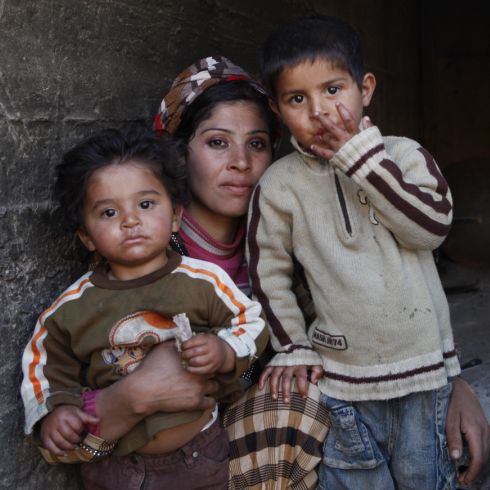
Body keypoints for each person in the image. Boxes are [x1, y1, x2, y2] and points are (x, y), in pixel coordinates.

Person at [26, 56, 487, 488]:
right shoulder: (142, 255)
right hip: (145, 453)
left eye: (258, 144)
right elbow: (68, 425)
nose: (240, 163)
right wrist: (132, 397)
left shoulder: (292, 234)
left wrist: (450, 385)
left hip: (234, 447)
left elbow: (374, 308)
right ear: (177, 154)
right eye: (217, 142)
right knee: (301, 399)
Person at [247, 14, 489, 489]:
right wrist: (292, 347)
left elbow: (432, 228)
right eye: (298, 99)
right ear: (277, 110)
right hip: (340, 384)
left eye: (333, 90)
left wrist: (363, 162)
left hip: (424, 378)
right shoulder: (279, 185)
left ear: (366, 89)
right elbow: (268, 273)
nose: (319, 111)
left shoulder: (404, 155)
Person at [20, 127, 268, 489]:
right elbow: (42, 366)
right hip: (114, 466)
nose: (130, 220)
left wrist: (225, 350)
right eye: (108, 212)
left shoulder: (201, 280)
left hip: (196, 457)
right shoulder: (71, 308)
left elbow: (252, 321)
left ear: (175, 217)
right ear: (86, 236)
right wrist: (54, 413)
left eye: (146, 204)